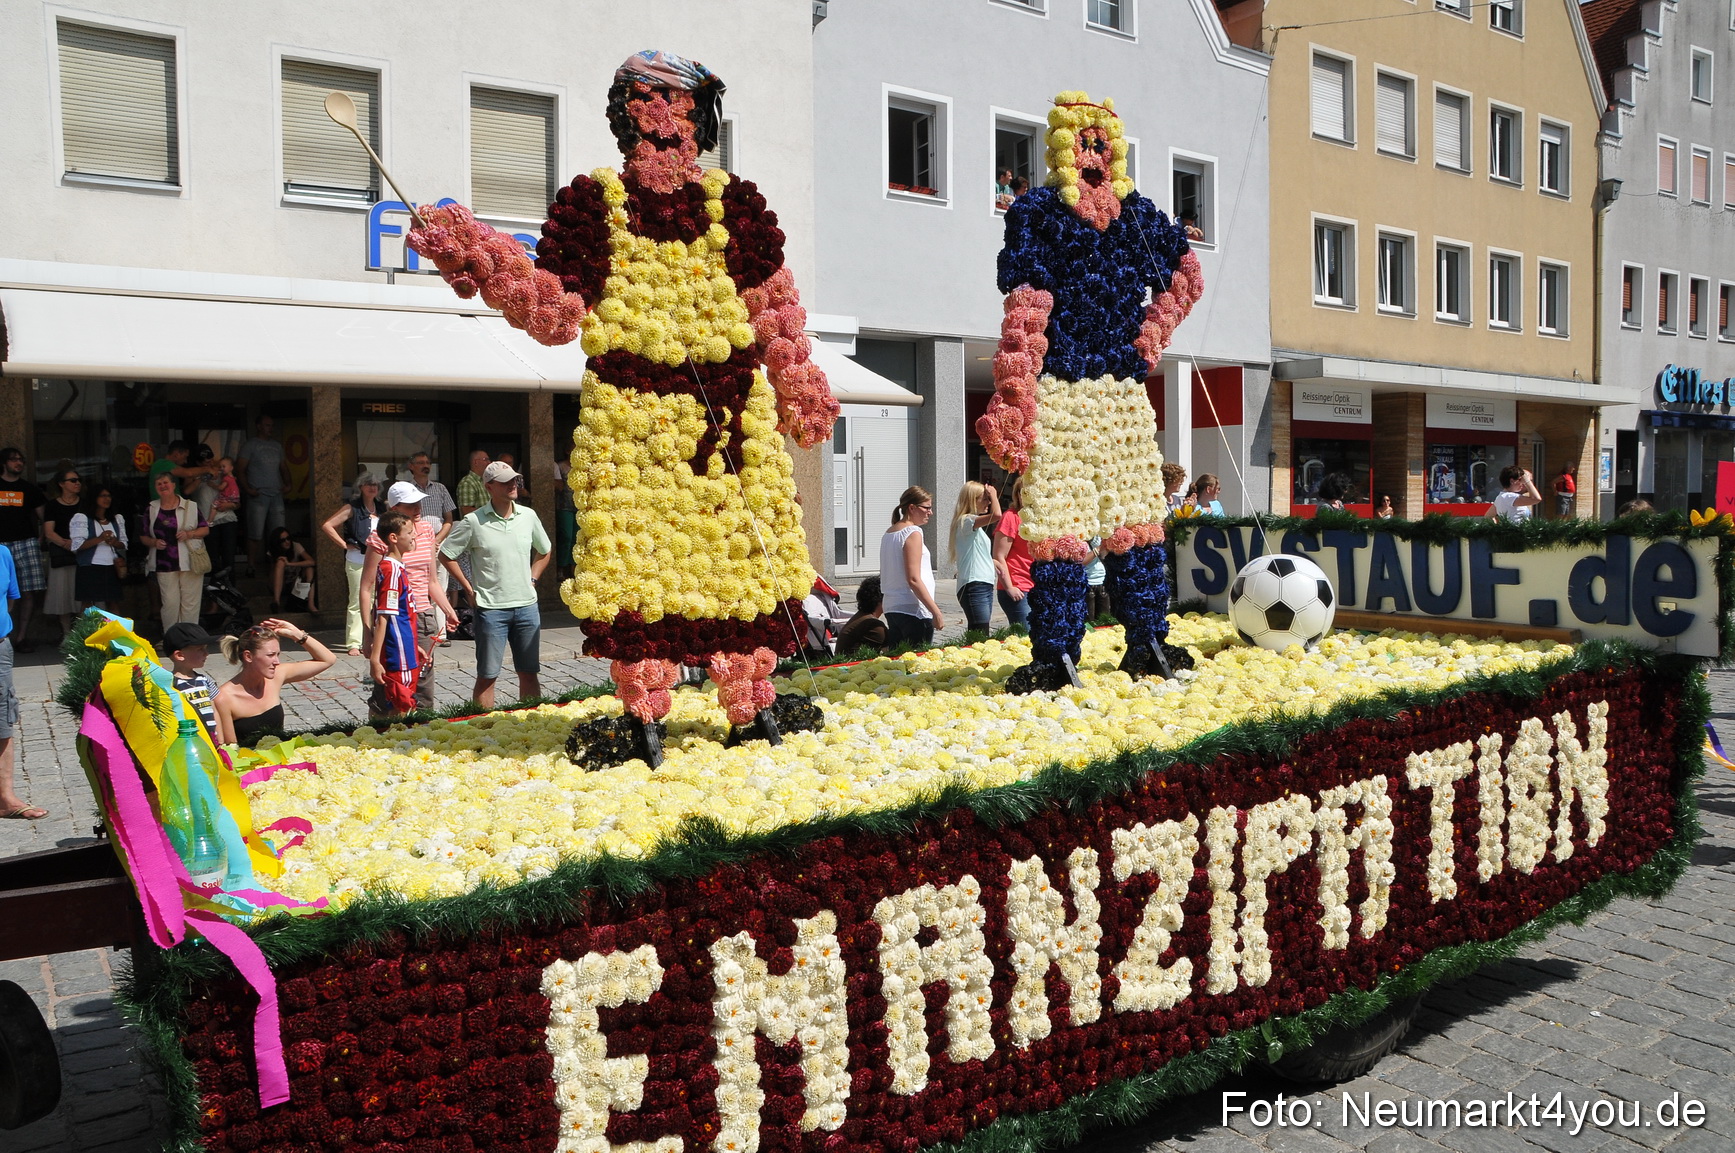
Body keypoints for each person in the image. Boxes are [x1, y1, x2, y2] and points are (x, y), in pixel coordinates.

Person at [440, 462, 550, 709]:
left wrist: (532, 579)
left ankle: (534, 725)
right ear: (489, 487)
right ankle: (481, 730)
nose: (513, 485)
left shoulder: (528, 516)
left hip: (527, 607)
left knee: (529, 672)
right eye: (505, 481)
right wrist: (469, 589)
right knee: (488, 675)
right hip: (491, 610)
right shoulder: (473, 521)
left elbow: (545, 551)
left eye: (514, 480)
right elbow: (446, 554)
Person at [362, 483, 458, 709]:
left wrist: (448, 610)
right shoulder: (382, 538)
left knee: (423, 685)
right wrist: (367, 634)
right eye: (411, 504)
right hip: (393, 620)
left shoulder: (424, 530)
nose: (418, 508)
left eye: (419, 502)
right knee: (390, 684)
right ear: (395, 508)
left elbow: (431, 581)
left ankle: (424, 737)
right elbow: (366, 589)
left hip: (422, 616)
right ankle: (384, 733)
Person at [213, 620, 335, 746]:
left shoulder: (276, 676)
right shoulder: (224, 698)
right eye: (270, 655)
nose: (277, 661)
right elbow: (230, 749)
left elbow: (328, 660)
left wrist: (298, 635)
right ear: (248, 656)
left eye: (278, 654)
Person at [368, 512, 428, 717]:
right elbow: (383, 616)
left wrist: (414, 645)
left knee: (403, 702)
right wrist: (375, 659)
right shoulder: (391, 569)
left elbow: (400, 613)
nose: (415, 536)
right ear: (393, 538)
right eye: (410, 532)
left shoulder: (396, 567)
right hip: (398, 653)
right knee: (401, 706)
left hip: (405, 646)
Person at [320, 473, 384, 654]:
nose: (373, 488)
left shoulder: (382, 508)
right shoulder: (352, 507)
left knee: (378, 600)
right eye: (369, 484)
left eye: (376, 485)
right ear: (361, 487)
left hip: (380, 560)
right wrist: (344, 545)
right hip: (357, 559)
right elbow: (328, 525)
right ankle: (355, 642)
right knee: (357, 600)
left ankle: (375, 639)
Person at [142, 470, 209, 632]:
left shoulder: (190, 506)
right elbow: (143, 536)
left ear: (173, 485)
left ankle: (190, 638)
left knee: (190, 603)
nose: (163, 486)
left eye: (166, 482)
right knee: (170, 603)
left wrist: (189, 534)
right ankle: (172, 638)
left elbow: (205, 529)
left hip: (190, 561)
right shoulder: (151, 509)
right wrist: (153, 542)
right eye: (159, 484)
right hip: (163, 563)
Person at [0, 541, 39, 819]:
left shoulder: (2, 553)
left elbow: (11, 599)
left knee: (2, 717)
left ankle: (5, 798)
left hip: (0, 645)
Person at [880, 486, 944, 647]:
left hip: (893, 607)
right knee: (916, 664)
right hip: (913, 609)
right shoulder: (912, 532)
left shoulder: (890, 532)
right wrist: (935, 610)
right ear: (912, 507)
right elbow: (913, 579)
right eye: (927, 508)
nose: (930, 512)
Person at [0, 449, 45, 652]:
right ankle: (3, 635)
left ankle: (21, 637)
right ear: (4, 462)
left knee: (28, 591)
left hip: (26, 542)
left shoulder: (29, 489)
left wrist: (40, 538)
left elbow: (44, 517)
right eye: (14, 459)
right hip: (1, 545)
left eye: (21, 460)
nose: (18, 463)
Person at [238, 414, 290, 573]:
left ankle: (277, 565)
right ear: (259, 426)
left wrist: (289, 484)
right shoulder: (250, 445)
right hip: (258, 495)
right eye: (267, 425)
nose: (270, 428)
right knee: (255, 532)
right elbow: (240, 469)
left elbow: (283, 467)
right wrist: (248, 489)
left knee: (279, 533)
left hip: (276, 494)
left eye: (272, 425)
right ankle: (251, 565)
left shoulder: (277, 446)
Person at [949, 480, 1001, 633]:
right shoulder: (966, 520)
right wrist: (995, 496)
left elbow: (975, 551)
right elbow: (997, 515)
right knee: (980, 631)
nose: (988, 502)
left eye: (989, 499)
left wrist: (990, 562)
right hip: (974, 584)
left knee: (979, 630)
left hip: (983, 583)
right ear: (973, 500)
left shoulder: (971, 524)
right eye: (984, 498)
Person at [39, 466, 84, 640]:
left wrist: (79, 545)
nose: (77, 483)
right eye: (73, 480)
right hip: (62, 553)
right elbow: (49, 531)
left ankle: (81, 633)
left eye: (78, 480)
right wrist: (67, 544)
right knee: (61, 594)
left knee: (82, 596)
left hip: (83, 553)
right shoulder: (52, 505)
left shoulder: (84, 503)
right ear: (61, 484)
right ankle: (66, 633)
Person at [70, 483, 127, 612]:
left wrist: (114, 542)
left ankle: (116, 632)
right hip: (90, 567)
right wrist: (100, 539)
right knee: (88, 604)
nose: (107, 499)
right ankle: (88, 632)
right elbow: (77, 545)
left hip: (112, 566)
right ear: (94, 498)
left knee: (114, 602)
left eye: (108, 496)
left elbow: (123, 544)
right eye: (102, 496)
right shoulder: (82, 518)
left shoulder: (116, 519)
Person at [164, 621, 219, 741]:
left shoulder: (205, 680)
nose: (207, 653)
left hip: (212, 740)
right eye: (200, 649)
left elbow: (214, 710)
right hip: (191, 740)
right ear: (179, 655)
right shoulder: (170, 685)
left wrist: (221, 740)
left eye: (206, 648)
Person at [992, 479, 1034, 628]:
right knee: (1025, 637)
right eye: (1024, 492)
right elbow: (999, 556)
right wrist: (1009, 587)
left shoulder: (1040, 519)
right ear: (1017, 495)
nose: (1029, 497)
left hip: (1036, 587)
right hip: (1018, 587)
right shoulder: (1011, 517)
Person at [403, 451, 457, 544]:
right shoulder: (406, 488)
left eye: (428, 463)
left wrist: (437, 540)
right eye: (421, 463)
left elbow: (449, 520)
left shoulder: (440, 488)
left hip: (439, 542)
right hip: (414, 541)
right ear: (411, 466)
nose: (426, 465)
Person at [266, 526, 318, 613]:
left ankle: (311, 605)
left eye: (288, 538)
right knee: (280, 562)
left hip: (294, 584)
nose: (287, 542)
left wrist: (290, 564)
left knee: (309, 569)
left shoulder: (295, 546)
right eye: (283, 540)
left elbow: (312, 562)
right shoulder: (272, 551)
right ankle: (276, 602)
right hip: (277, 585)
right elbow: (271, 573)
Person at [835, 575, 888, 654]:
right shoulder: (873, 625)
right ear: (880, 599)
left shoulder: (861, 617)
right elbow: (897, 644)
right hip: (851, 664)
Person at [207, 457, 242, 577]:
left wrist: (229, 505)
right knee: (213, 558)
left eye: (223, 466)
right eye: (220, 466)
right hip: (214, 523)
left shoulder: (226, 478)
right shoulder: (231, 478)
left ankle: (230, 585)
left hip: (227, 518)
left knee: (228, 557)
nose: (221, 468)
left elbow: (237, 504)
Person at [456, 449, 489, 518]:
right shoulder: (467, 483)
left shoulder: (486, 481)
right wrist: (491, 512)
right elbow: (466, 511)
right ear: (476, 462)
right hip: (476, 527)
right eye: (485, 459)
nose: (489, 462)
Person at [1085, 537, 1110, 621]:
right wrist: (1098, 549)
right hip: (1088, 584)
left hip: (1102, 582)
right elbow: (1081, 561)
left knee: (1104, 619)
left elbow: (1104, 555)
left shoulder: (1097, 538)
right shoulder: (1079, 542)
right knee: (1089, 622)